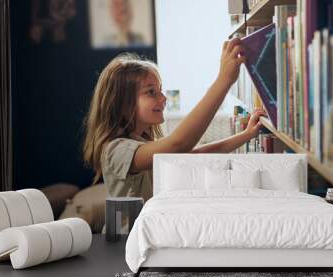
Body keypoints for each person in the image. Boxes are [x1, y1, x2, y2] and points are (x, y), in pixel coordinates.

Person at [83, 38, 265, 202]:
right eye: (151, 92)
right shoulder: (115, 150)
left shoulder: (142, 143)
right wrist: (224, 80)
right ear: (122, 104)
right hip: (128, 238)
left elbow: (196, 154)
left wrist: (246, 135)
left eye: (160, 90)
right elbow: (179, 144)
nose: (163, 98)